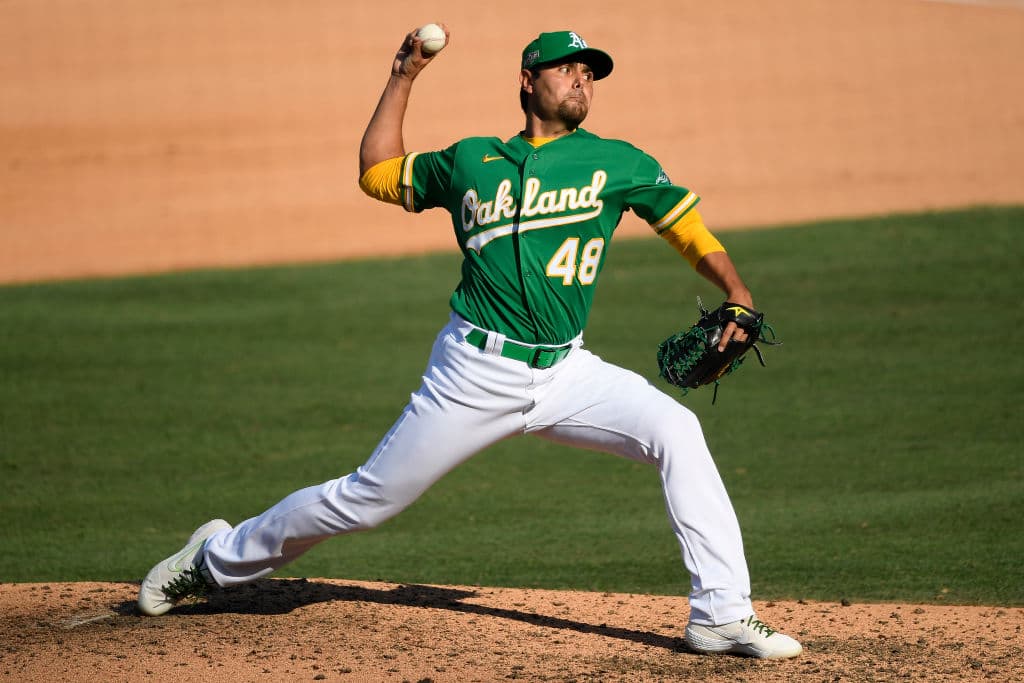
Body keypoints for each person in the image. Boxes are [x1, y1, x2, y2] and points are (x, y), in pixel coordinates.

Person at [137, 26, 802, 660]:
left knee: (676, 430)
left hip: (567, 372)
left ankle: (719, 613)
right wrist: (403, 76)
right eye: (567, 68)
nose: (581, 80)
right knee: (368, 499)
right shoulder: (470, 161)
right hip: (473, 373)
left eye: (589, 72)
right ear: (527, 81)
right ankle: (212, 559)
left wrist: (737, 290)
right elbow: (377, 172)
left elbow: (684, 226)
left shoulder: (617, 162)